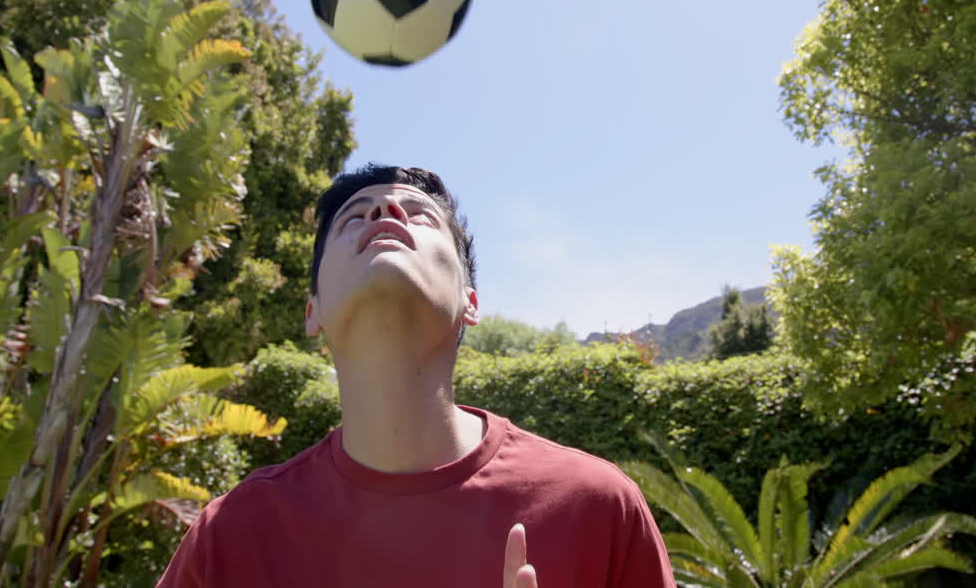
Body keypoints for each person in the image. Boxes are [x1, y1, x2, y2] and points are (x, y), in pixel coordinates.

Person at [156, 164, 676, 588]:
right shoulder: (230, 535)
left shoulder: (599, 508)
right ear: (312, 310)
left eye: (420, 215)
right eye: (353, 217)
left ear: (470, 303)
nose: (386, 210)